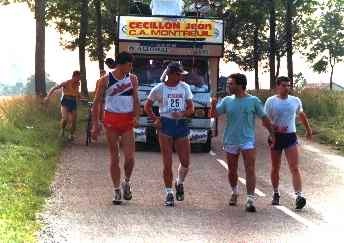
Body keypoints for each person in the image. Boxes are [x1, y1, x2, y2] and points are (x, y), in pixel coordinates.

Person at [209, 73, 275, 212]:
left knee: (250, 169)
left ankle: (250, 199)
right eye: (228, 83)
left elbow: (264, 117)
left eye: (231, 83)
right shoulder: (227, 100)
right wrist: (213, 105)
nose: (228, 86)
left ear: (240, 85)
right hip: (231, 140)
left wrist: (272, 133)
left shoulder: (253, 101)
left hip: (247, 140)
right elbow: (213, 115)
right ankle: (234, 192)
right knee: (232, 171)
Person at [91, 52, 140, 205]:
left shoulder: (133, 79)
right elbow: (96, 103)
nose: (131, 67)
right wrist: (95, 124)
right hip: (111, 120)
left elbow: (136, 100)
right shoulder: (105, 80)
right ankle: (117, 190)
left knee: (130, 158)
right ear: (121, 64)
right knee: (115, 157)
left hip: (127, 121)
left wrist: (136, 116)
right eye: (129, 64)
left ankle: (126, 182)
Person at [144, 62, 194, 207]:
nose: (181, 77)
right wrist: (155, 120)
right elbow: (147, 106)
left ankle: (179, 182)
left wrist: (183, 113)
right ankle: (168, 193)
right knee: (167, 162)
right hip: (166, 125)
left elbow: (191, 108)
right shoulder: (159, 88)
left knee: (185, 162)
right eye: (178, 74)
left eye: (181, 75)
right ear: (170, 74)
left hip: (181, 125)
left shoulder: (185, 87)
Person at [264, 76, 312, 210]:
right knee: (275, 167)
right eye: (284, 85)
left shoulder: (295, 100)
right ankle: (275, 193)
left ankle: (299, 196)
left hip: (290, 136)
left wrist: (308, 130)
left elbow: (301, 115)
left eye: (288, 85)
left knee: (294, 167)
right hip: (275, 137)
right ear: (277, 86)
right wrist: (274, 128)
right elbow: (265, 121)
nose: (287, 88)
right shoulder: (271, 101)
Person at [44, 70, 82, 140]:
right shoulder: (66, 82)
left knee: (74, 120)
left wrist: (80, 97)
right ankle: (62, 130)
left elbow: (76, 92)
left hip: (73, 102)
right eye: (78, 77)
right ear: (74, 76)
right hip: (65, 102)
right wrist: (48, 96)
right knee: (65, 118)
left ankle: (71, 135)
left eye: (80, 78)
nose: (79, 79)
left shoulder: (78, 84)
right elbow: (54, 88)